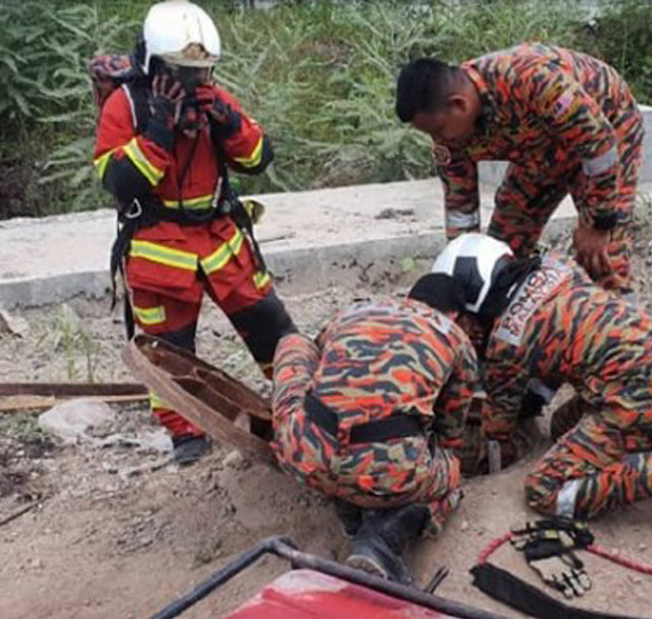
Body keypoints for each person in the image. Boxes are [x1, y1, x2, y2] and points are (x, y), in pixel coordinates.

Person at [93, 1, 294, 464]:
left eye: (201, 71)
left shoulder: (214, 99)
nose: (192, 80)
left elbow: (259, 157)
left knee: (271, 326)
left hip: (221, 237)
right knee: (169, 348)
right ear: (155, 64)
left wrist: (226, 123)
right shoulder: (125, 107)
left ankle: (297, 401)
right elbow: (119, 181)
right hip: (159, 247)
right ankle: (186, 434)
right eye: (183, 71)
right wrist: (160, 132)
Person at [432, 234, 652, 546]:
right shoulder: (558, 264)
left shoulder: (506, 342)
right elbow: (551, 355)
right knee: (562, 426)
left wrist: (487, 463)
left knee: (544, 489)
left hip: (644, 397)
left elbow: (498, 435)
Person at [270, 274, 482, 584]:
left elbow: (317, 361)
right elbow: (450, 435)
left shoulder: (354, 313)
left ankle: (349, 506)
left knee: (294, 343)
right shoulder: (454, 337)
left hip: (307, 455)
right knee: (450, 469)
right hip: (389, 474)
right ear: (456, 316)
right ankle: (380, 538)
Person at [395, 43, 643, 293]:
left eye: (437, 130)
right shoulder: (449, 137)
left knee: (603, 254)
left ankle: (623, 326)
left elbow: (599, 145)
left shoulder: (532, 80)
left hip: (607, 129)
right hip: (539, 151)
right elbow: (460, 208)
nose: (436, 138)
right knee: (499, 255)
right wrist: (460, 275)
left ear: (459, 105)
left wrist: (598, 224)